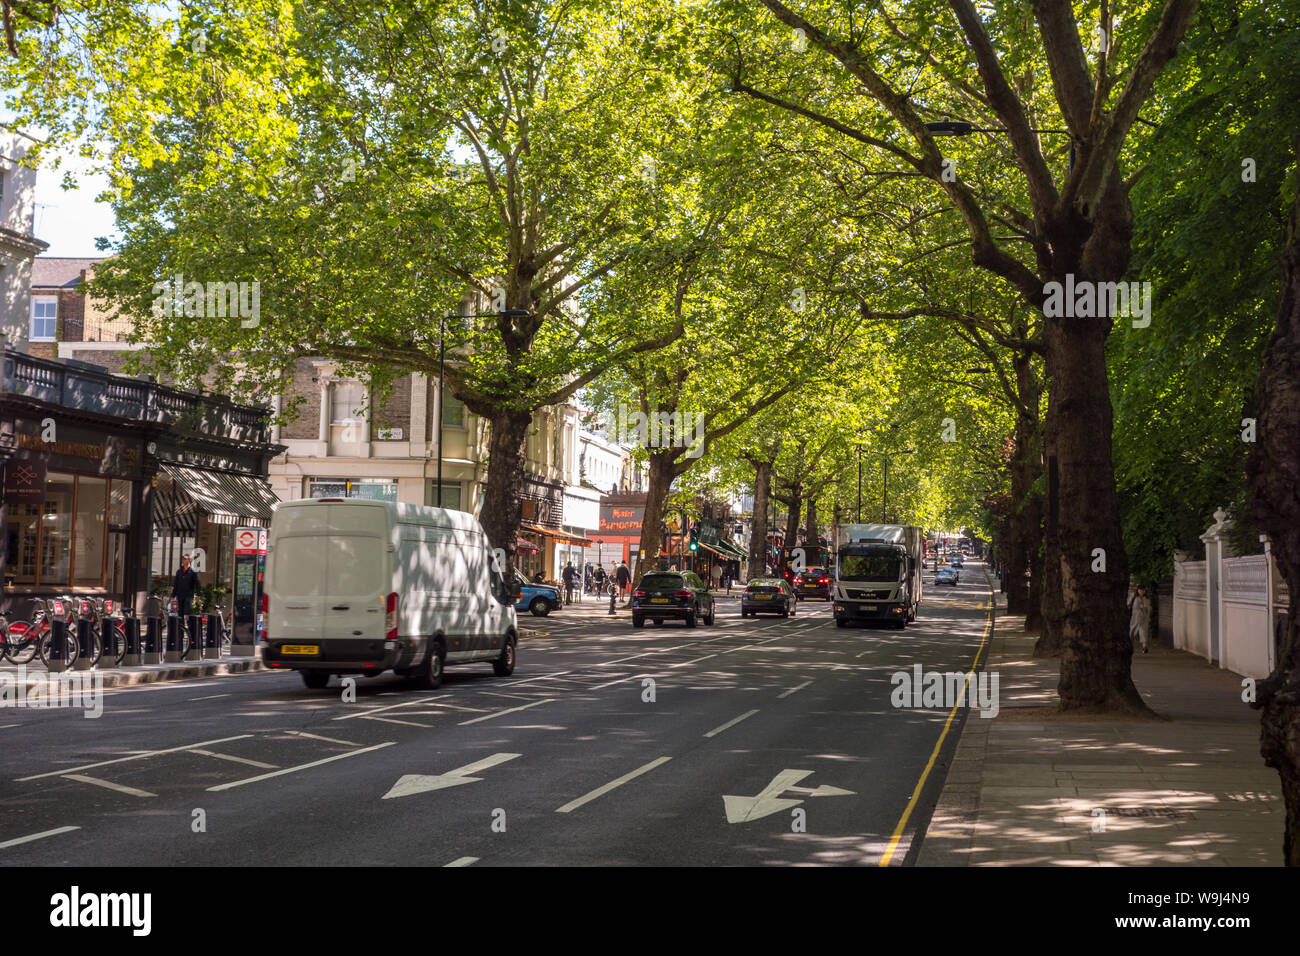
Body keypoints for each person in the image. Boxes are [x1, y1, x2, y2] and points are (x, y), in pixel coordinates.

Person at [172, 554, 201, 618]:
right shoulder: (179, 571)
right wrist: (173, 595)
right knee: (180, 613)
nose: (183, 560)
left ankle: (189, 626)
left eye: (185, 559)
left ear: (189, 560)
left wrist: (198, 595)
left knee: (188, 612)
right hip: (180, 595)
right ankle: (180, 627)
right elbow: (176, 584)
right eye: (182, 559)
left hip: (188, 595)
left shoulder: (193, 571)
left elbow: (197, 584)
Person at [1129, 584, 1152, 654]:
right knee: (1132, 632)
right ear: (1138, 590)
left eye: (1143, 590)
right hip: (1135, 617)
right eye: (1140, 590)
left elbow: (1148, 608)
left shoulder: (1146, 599)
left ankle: (1144, 647)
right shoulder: (1134, 597)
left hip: (1144, 618)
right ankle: (1130, 646)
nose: (1142, 591)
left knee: (1143, 632)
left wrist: (1146, 612)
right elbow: (1129, 605)